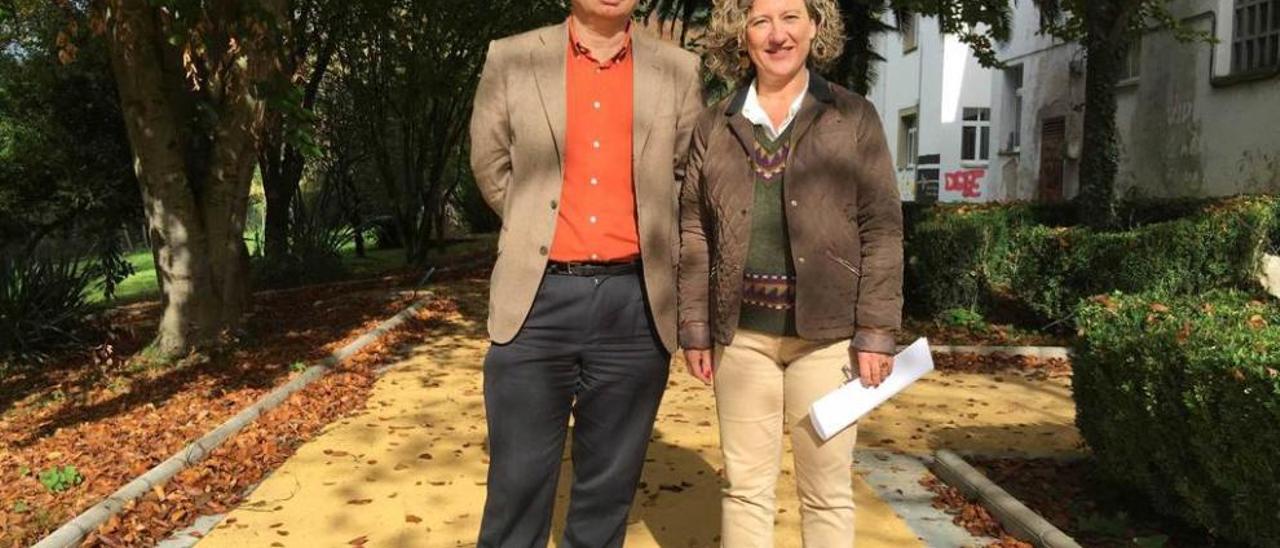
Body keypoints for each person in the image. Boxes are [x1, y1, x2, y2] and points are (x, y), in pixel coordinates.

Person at [468, 0, 703, 546]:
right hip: (536, 301)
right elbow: (489, 162)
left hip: (635, 305)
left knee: (606, 495)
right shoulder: (513, 58)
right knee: (516, 487)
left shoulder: (678, 70)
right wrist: (536, 226)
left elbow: (685, 175)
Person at [676, 0, 904, 545]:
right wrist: (694, 327)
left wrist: (876, 331)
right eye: (761, 21)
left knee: (826, 493)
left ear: (814, 27)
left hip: (828, 343)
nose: (777, 34)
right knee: (745, 488)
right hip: (743, 342)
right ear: (743, 36)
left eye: (791, 17)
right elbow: (693, 231)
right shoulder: (715, 123)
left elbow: (883, 229)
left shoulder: (853, 117)